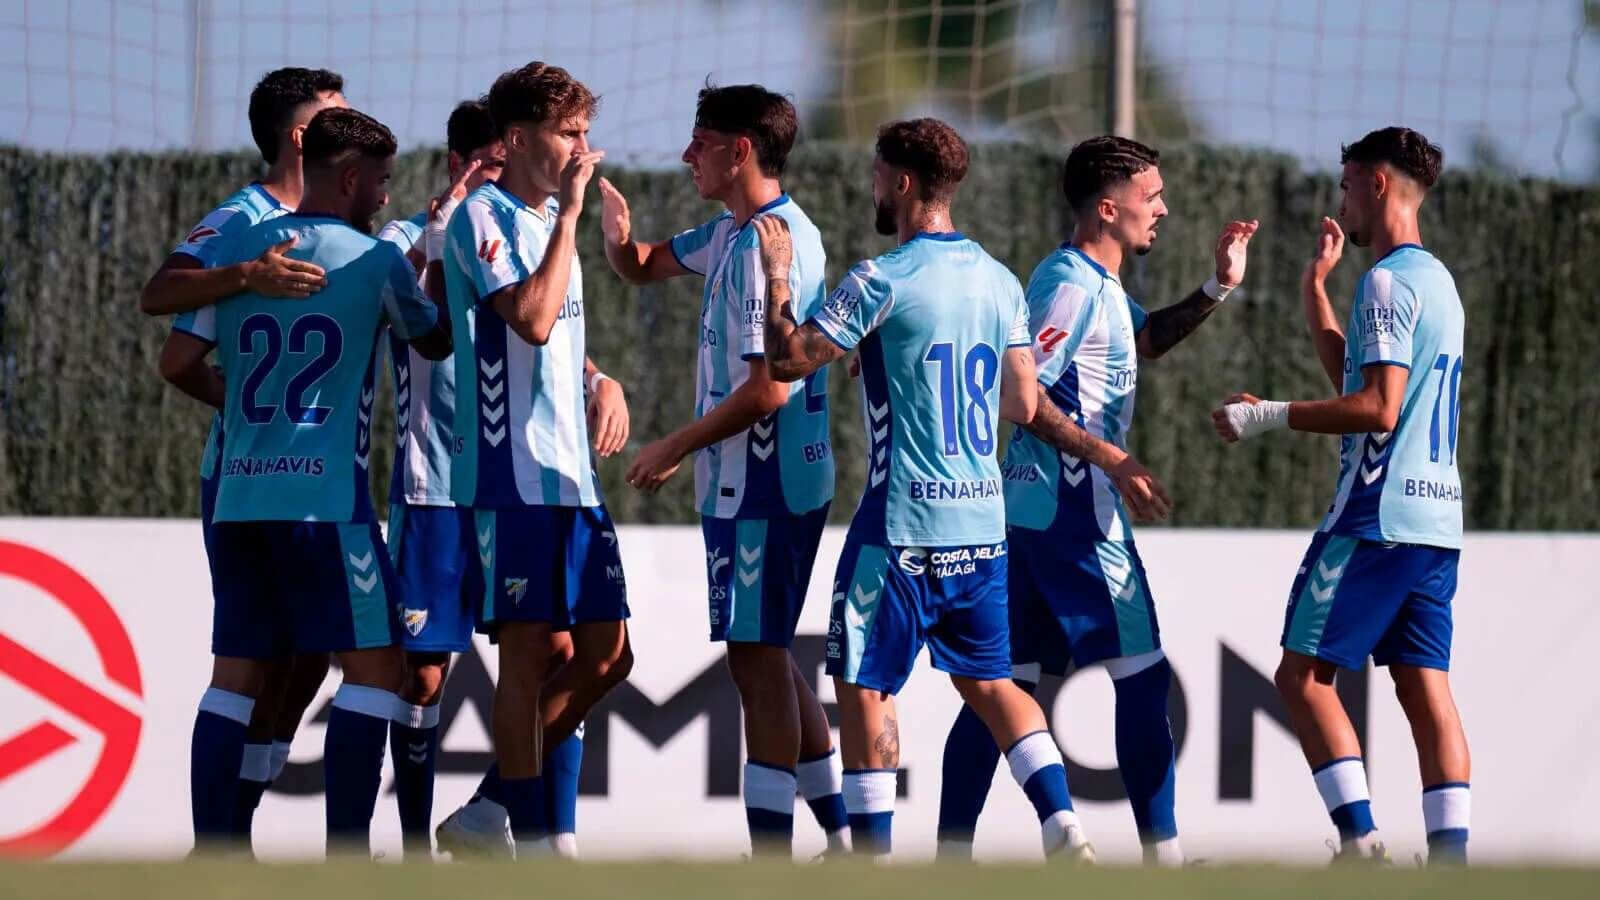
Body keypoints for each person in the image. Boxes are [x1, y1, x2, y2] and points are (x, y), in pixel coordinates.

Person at [753, 118, 1084, 860]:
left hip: (902, 526)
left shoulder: (883, 278)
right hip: (982, 525)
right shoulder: (999, 280)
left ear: (902, 182)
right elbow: (1023, 404)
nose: (872, 186)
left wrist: (777, 273)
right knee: (994, 686)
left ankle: (871, 861)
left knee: (864, 686)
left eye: (877, 174)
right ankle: (1064, 825)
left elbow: (784, 361)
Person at [938, 135, 1258, 865]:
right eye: (1152, 198)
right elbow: (1023, 399)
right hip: (1073, 518)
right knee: (1142, 676)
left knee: (1004, 690)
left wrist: (1218, 287)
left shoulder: (1095, 282)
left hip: (1032, 517)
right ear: (1108, 210)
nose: (1165, 210)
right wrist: (1112, 458)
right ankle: (1164, 863)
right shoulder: (1071, 286)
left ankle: (950, 858)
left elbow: (1141, 340)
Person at [160, 106, 452, 853]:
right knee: (377, 670)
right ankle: (347, 858)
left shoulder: (243, 249)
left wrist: (264, 417)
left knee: (235, 676)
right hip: (326, 505)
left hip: (238, 494)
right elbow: (435, 336)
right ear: (350, 178)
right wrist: (441, 249)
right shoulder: (374, 259)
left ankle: (214, 853)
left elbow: (180, 364)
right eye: (381, 183)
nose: (385, 197)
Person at [597, 83, 848, 857]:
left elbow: (770, 388)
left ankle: (771, 860)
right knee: (764, 652)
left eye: (699, 141)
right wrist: (611, 230)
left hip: (765, 484)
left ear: (739, 150)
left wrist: (674, 444)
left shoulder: (772, 244)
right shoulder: (736, 232)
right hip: (762, 484)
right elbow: (642, 265)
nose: (685, 155)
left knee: (757, 662)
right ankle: (842, 845)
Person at [1212, 126, 1468, 865]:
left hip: (1375, 516)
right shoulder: (1437, 283)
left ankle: (1361, 844)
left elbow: (1377, 409)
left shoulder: (1386, 282)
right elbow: (1357, 382)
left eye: (1348, 184)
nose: (1342, 201)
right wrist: (1314, 291)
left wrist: (1264, 416)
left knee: (1301, 676)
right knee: (1426, 691)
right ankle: (1452, 866)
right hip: (1436, 525)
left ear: (1379, 184)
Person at [433, 61, 633, 859]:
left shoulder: (550, 221)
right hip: (509, 473)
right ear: (518, 140)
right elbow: (533, 320)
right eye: (568, 133)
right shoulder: (481, 214)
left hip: (568, 475)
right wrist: (575, 214)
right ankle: (543, 843)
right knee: (530, 655)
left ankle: (490, 807)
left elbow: (562, 347)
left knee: (610, 655)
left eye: (587, 131)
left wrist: (602, 378)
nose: (584, 149)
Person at [144, 66, 347, 850]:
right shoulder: (246, 216)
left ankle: (236, 828)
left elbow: (176, 364)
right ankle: (218, 844)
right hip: (246, 480)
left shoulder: (337, 219)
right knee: (252, 660)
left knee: (307, 657)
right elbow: (159, 295)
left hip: (310, 481)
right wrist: (247, 277)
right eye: (339, 114)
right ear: (302, 136)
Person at [371, 97, 505, 857]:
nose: (498, 181)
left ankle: (497, 813)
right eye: (487, 166)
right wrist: (435, 234)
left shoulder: (517, 235)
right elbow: (426, 332)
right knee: (421, 680)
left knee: (555, 654)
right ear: (458, 165)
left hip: (513, 490)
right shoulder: (399, 240)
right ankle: (418, 850)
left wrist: (596, 381)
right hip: (430, 491)